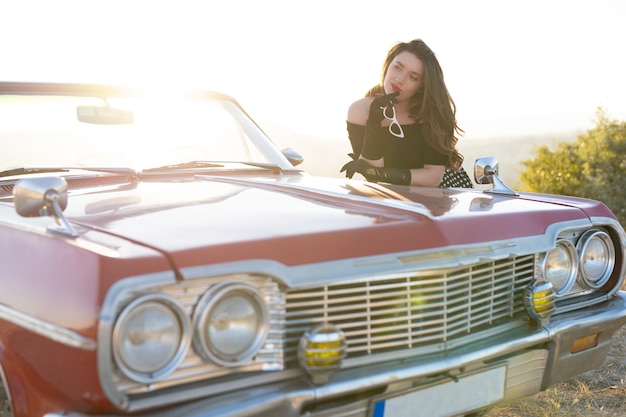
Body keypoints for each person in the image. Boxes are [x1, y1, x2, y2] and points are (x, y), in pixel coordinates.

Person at [341, 39, 472, 188]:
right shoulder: (359, 111)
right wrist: (373, 124)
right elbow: (374, 177)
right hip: (389, 195)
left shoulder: (435, 112)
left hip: (442, 193)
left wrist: (381, 174)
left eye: (413, 77)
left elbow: (432, 178)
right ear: (387, 65)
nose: (399, 79)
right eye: (397, 67)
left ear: (422, 86)